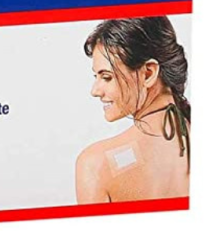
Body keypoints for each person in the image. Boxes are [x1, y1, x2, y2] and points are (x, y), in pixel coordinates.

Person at [76, 16, 190, 204]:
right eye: (96, 77)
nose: (95, 91)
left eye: (106, 77)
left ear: (148, 73)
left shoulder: (96, 164)